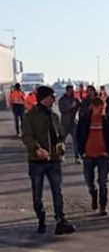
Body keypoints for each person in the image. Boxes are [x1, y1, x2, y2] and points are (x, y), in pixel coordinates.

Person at [21, 86, 75, 235]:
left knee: (58, 191)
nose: (54, 100)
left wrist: (61, 144)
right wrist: (37, 149)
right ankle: (41, 216)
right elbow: (26, 136)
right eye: (51, 97)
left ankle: (60, 220)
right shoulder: (30, 116)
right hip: (37, 161)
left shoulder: (54, 115)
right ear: (44, 98)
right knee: (37, 194)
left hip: (54, 160)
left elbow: (60, 133)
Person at [76, 90, 109, 216]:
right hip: (88, 155)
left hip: (102, 155)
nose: (102, 110)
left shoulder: (108, 120)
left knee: (103, 181)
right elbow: (79, 136)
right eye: (100, 108)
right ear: (93, 107)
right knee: (89, 180)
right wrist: (82, 152)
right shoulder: (85, 120)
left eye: (103, 107)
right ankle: (93, 193)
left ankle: (103, 206)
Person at [58, 84, 80, 163]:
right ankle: (61, 155)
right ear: (67, 90)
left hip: (73, 122)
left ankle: (77, 157)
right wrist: (71, 107)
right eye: (71, 90)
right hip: (64, 123)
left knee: (76, 141)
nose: (72, 91)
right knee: (62, 140)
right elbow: (62, 109)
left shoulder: (75, 99)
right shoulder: (62, 100)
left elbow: (79, 107)